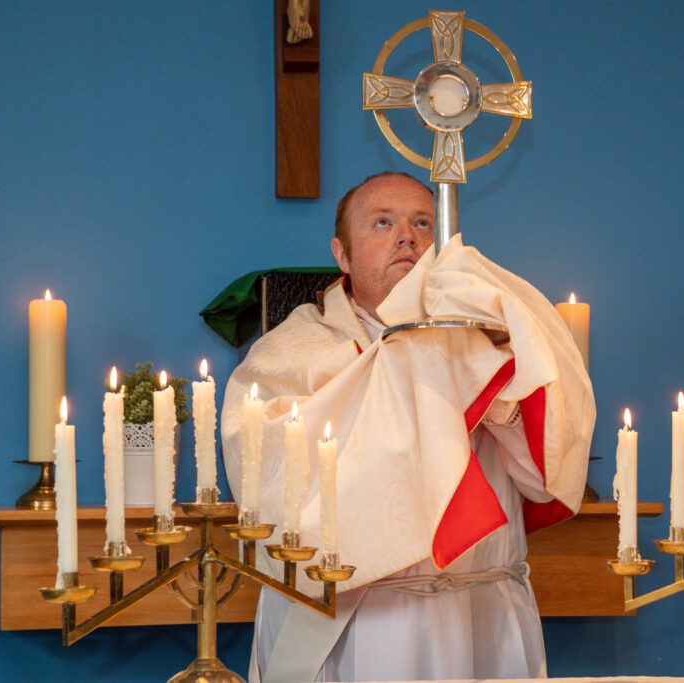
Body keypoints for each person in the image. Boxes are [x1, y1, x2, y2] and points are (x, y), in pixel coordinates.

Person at [220, 171, 595, 683]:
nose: (407, 237)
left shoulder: (492, 336)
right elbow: (272, 483)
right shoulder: (291, 354)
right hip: (354, 622)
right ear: (342, 253)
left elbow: (542, 480)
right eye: (382, 223)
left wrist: (493, 394)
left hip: (480, 617)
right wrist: (425, 373)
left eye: (423, 223)